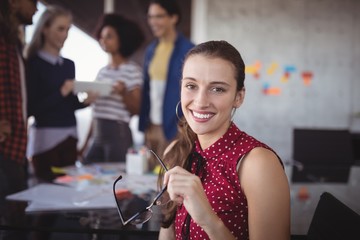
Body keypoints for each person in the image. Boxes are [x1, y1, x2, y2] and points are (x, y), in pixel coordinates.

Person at [158, 40, 290, 240]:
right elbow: (167, 234)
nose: (201, 101)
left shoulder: (258, 164)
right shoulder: (177, 150)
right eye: (191, 86)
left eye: (217, 89)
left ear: (239, 97)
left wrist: (208, 219)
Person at [25, 5, 95, 182]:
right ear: (45, 29)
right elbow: (32, 109)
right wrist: (61, 92)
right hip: (46, 142)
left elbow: (69, 105)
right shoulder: (32, 64)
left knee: (69, 192)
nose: (65, 35)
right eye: (60, 29)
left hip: (70, 138)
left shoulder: (69, 65)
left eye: (68, 29)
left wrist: (86, 102)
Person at [80, 13, 144, 164]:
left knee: (116, 180)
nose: (103, 40)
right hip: (97, 132)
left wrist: (123, 93)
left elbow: (137, 109)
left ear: (121, 39)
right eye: (102, 36)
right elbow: (96, 111)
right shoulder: (102, 72)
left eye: (109, 36)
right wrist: (84, 144)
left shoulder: (132, 70)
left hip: (118, 134)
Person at [138, 0, 194, 166]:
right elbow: (148, 90)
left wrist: (183, 124)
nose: (153, 22)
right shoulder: (151, 50)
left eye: (159, 16)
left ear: (173, 18)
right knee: (149, 178)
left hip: (174, 127)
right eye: (150, 17)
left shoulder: (189, 50)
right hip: (152, 126)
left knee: (171, 179)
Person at [0, 0, 37, 238]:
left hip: (15, 148)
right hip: (4, 149)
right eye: (32, 1)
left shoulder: (11, 41)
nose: (35, 7)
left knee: (16, 225)